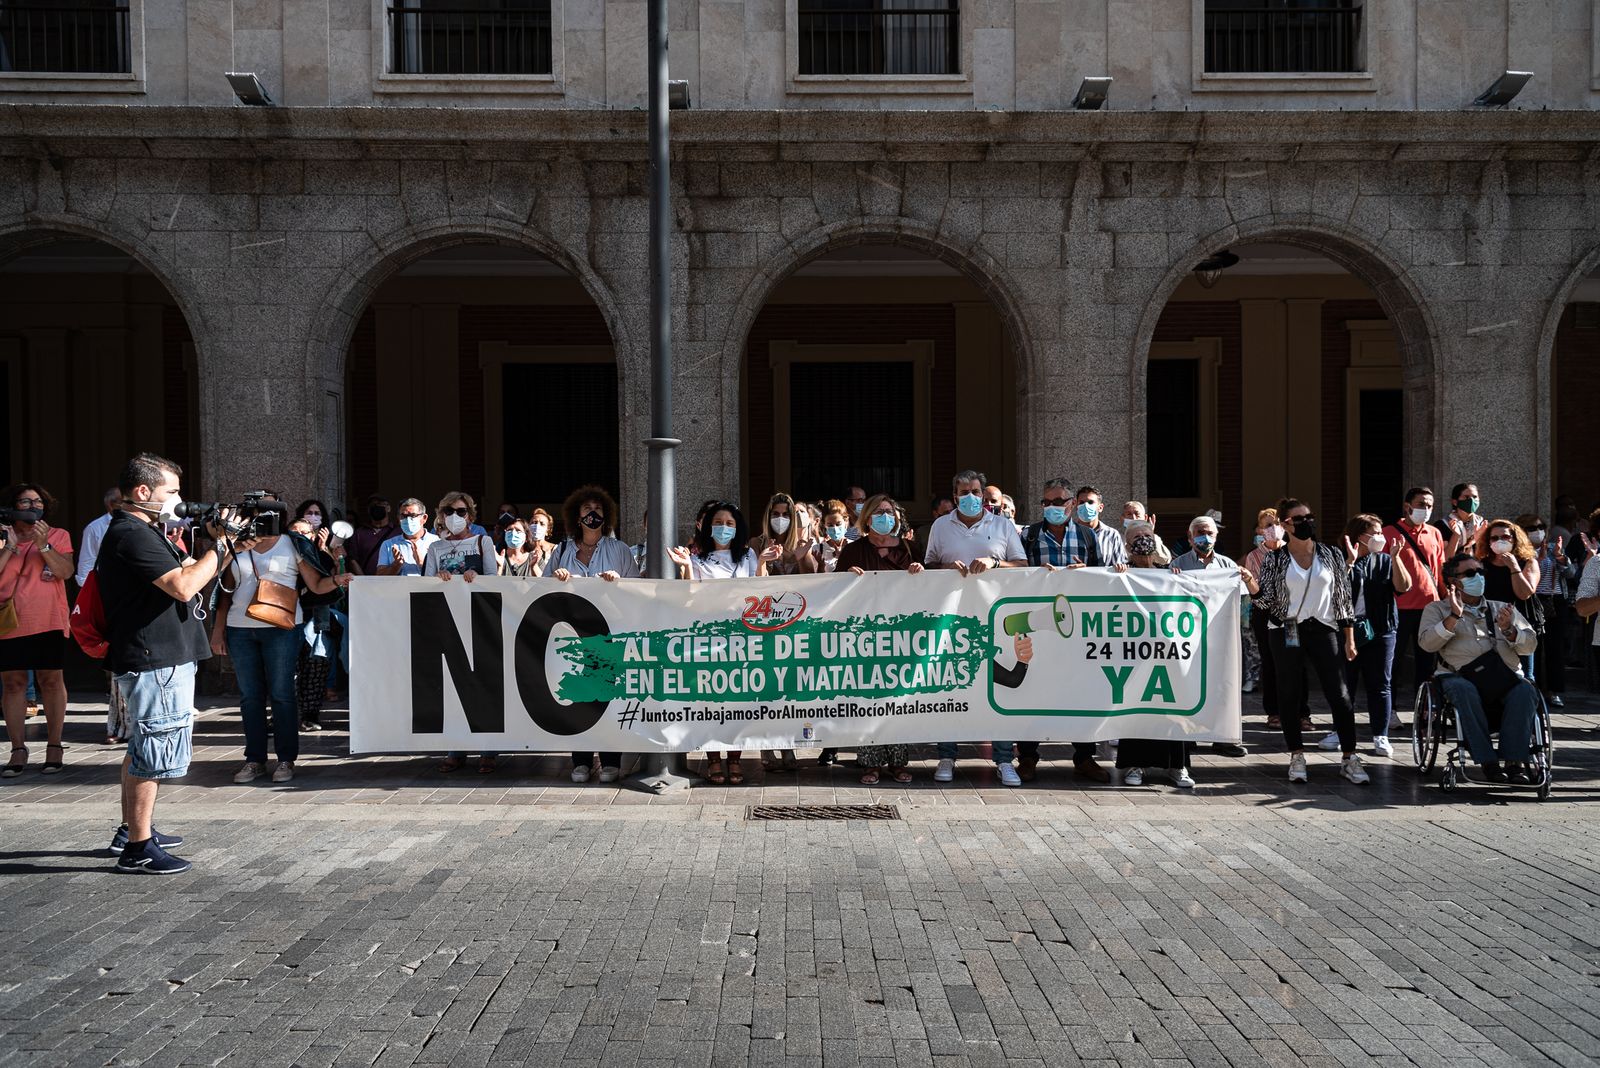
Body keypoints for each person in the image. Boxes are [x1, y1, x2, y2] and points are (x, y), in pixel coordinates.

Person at [99, 453, 241, 873]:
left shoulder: (145, 530)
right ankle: (138, 849)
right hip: (153, 656)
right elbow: (183, 586)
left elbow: (193, 572)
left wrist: (227, 547)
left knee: (143, 745)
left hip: (158, 653)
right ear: (143, 492)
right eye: (172, 491)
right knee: (154, 749)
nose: (179, 499)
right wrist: (220, 545)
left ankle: (133, 830)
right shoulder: (132, 533)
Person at [212, 512, 348, 785]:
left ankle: (286, 759)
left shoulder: (293, 544)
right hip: (240, 627)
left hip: (282, 627)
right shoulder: (238, 543)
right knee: (250, 696)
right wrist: (218, 630)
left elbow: (315, 584)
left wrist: (338, 579)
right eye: (257, 514)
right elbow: (224, 590)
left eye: (270, 514)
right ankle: (255, 760)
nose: (263, 520)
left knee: (282, 693)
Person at [1251, 499, 1368, 785]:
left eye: (1309, 517)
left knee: (1339, 693)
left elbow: (1342, 599)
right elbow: (1265, 601)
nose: (1307, 523)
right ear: (1285, 525)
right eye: (1299, 519)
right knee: (1289, 692)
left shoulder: (1330, 553)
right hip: (1288, 627)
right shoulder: (1275, 559)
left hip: (1323, 627)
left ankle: (1349, 756)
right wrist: (1251, 586)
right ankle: (1296, 755)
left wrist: (1349, 638)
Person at [923, 470, 1028, 786]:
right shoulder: (941, 526)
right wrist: (945, 569)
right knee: (950, 686)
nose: (970, 496)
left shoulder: (1003, 525)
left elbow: (1022, 566)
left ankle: (1004, 759)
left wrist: (995, 563)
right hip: (951, 620)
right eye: (963, 492)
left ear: (984, 494)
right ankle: (946, 755)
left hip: (993, 620)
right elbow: (927, 567)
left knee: (996, 688)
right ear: (955, 496)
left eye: (975, 491)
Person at [1016, 479, 1120, 780]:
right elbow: (1017, 574)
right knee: (1033, 690)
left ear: (1072, 504)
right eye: (1046, 502)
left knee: (1081, 690)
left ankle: (1085, 756)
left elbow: (1101, 579)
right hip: (1039, 626)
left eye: (1059, 502)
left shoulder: (1088, 536)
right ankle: (1028, 757)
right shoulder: (1030, 536)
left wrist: (1084, 574)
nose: (1052, 508)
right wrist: (1036, 576)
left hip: (1078, 629)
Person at [668, 502, 775, 785]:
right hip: (709, 640)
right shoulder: (698, 558)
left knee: (738, 701)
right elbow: (689, 596)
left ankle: (735, 759)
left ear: (737, 527)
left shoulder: (748, 555)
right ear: (706, 525)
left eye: (730, 523)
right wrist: (686, 567)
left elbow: (761, 590)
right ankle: (714, 759)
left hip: (742, 640)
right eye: (719, 522)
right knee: (712, 702)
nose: (724, 528)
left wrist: (763, 563)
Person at [544, 485, 639, 783]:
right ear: (576, 515)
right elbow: (542, 589)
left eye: (598, 509)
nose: (592, 514)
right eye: (587, 509)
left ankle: (611, 760)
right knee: (579, 699)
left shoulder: (620, 550)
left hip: (609, 635)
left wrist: (617, 582)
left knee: (607, 698)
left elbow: (637, 590)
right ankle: (581, 761)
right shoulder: (561, 551)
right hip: (573, 636)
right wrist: (557, 578)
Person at [1417, 554, 1541, 783]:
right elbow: (1427, 644)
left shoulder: (1502, 608)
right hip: (1459, 676)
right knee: (1463, 689)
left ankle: (1514, 762)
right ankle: (1488, 762)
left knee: (1526, 691)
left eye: (1481, 572)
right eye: (1471, 573)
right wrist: (1454, 616)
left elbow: (1530, 645)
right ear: (1453, 581)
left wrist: (1510, 631)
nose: (1479, 578)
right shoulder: (1436, 609)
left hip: (1504, 678)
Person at [838, 494, 925, 784]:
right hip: (865, 637)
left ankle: (898, 762)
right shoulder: (853, 551)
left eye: (889, 511)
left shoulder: (912, 550)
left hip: (903, 638)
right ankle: (870, 762)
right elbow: (834, 592)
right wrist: (847, 578)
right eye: (878, 512)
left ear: (897, 517)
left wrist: (920, 574)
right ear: (867, 518)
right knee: (869, 698)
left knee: (898, 698)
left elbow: (931, 589)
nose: (884, 517)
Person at [423, 492, 503, 774]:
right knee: (452, 687)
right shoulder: (435, 548)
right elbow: (425, 584)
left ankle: (488, 751)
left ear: (470, 515)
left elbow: (495, 580)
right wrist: (439, 580)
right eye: (449, 511)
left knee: (483, 684)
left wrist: (476, 578)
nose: (454, 516)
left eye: (460, 511)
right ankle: (455, 749)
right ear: (441, 515)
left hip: (479, 622)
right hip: (447, 622)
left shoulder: (483, 542)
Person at [1320, 514, 1411, 759]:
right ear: (1360, 536)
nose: (1380, 537)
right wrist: (1349, 563)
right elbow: (1330, 591)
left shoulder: (1383, 560)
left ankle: (1380, 735)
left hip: (1381, 629)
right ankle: (1340, 731)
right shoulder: (1336, 558)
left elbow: (1404, 586)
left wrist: (1395, 558)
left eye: (1381, 532)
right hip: (1347, 630)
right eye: (1375, 533)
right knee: (1344, 684)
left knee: (1380, 683)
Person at [0, 483, 75, 777]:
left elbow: (65, 572)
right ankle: (18, 748)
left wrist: (44, 545)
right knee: (13, 684)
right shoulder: (3, 534)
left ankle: (54, 745)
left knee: (51, 681)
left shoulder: (58, 535)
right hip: (8, 620)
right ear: (12, 506)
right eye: (25, 502)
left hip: (48, 618)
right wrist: (9, 546)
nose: (33, 507)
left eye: (38, 502)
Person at [1116, 531, 1195, 788]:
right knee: (1137, 708)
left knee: (1172, 707)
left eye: (1147, 547)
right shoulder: (1121, 572)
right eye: (1138, 549)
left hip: (1166, 653)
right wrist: (1115, 574)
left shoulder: (1169, 572)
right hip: (1134, 654)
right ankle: (1135, 765)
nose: (1143, 554)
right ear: (1129, 550)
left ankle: (1177, 765)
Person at [1383, 486, 1447, 705]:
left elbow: (1439, 570)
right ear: (1407, 506)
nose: (1426, 509)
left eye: (1429, 505)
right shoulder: (1388, 533)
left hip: (1430, 608)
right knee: (1393, 662)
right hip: (1398, 608)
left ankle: (1425, 708)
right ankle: (1389, 709)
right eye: (1421, 504)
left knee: (1427, 662)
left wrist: (1446, 598)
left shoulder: (1435, 533)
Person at [76, 487, 128, 744]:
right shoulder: (96, 528)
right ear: (111, 505)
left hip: (138, 602)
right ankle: (117, 725)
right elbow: (85, 568)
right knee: (117, 669)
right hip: (111, 603)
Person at [286, 515, 345, 733]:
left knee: (316, 666)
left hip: (316, 620)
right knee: (287, 671)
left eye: (305, 533)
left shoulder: (320, 554)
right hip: (287, 620)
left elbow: (335, 583)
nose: (300, 537)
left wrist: (328, 552)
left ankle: (309, 716)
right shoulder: (282, 555)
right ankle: (283, 716)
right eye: (295, 532)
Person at [1474, 518, 1542, 684]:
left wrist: (1514, 567)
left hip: (1519, 625)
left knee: (1525, 676)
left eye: (1505, 537)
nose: (1500, 541)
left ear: (1515, 539)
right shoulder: (1481, 564)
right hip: (1488, 625)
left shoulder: (1528, 562)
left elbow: (1524, 593)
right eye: (1494, 538)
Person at [1521, 513, 1573, 709]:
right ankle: (1533, 687)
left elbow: (1570, 574)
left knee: (1555, 647)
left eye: (1541, 527)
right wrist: (1533, 559)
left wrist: (1560, 557)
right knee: (1533, 646)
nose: (1538, 532)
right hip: (1533, 601)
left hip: (1555, 600)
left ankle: (1554, 690)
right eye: (1532, 528)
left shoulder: (1552, 549)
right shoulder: (1521, 552)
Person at [750, 492, 819, 578]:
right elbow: (755, 581)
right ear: (768, 517)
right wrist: (767, 561)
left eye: (785, 514)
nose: (780, 518)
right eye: (776, 514)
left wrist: (800, 559)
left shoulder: (800, 545)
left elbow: (811, 581)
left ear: (792, 519)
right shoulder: (757, 543)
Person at [376, 498, 438, 576]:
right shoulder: (388, 544)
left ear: (424, 518)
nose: (408, 520)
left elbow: (444, 576)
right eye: (403, 516)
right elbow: (379, 576)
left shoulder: (436, 542)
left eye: (413, 516)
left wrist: (423, 564)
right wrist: (396, 565)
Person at [347, 495, 396, 576]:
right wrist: (364, 581)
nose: (377, 507)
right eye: (373, 506)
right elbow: (353, 559)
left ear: (388, 508)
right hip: (366, 582)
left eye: (381, 505)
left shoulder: (398, 531)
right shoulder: (359, 533)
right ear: (368, 510)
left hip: (392, 581)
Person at [1435, 482, 1488, 558]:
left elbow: (1485, 557)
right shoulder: (1443, 525)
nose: (1472, 500)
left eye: (1475, 497)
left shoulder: (1481, 524)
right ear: (1455, 502)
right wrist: (1456, 535)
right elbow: (1446, 559)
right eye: (1466, 497)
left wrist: (1478, 540)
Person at [1120, 501, 1172, 566]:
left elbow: (1165, 560)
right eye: (1129, 514)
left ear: (1145, 518)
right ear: (1122, 519)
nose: (1133, 518)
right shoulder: (1117, 538)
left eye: (1137, 514)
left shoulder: (1155, 538)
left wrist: (1151, 535)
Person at [815, 499, 852, 575]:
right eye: (830, 525)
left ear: (846, 521)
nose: (835, 528)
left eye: (838, 524)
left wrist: (842, 558)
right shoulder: (817, 549)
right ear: (824, 525)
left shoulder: (854, 546)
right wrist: (821, 566)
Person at [528, 507, 558, 576]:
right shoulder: (523, 549)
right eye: (534, 522)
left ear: (548, 530)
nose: (537, 526)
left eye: (542, 524)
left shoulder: (556, 549)